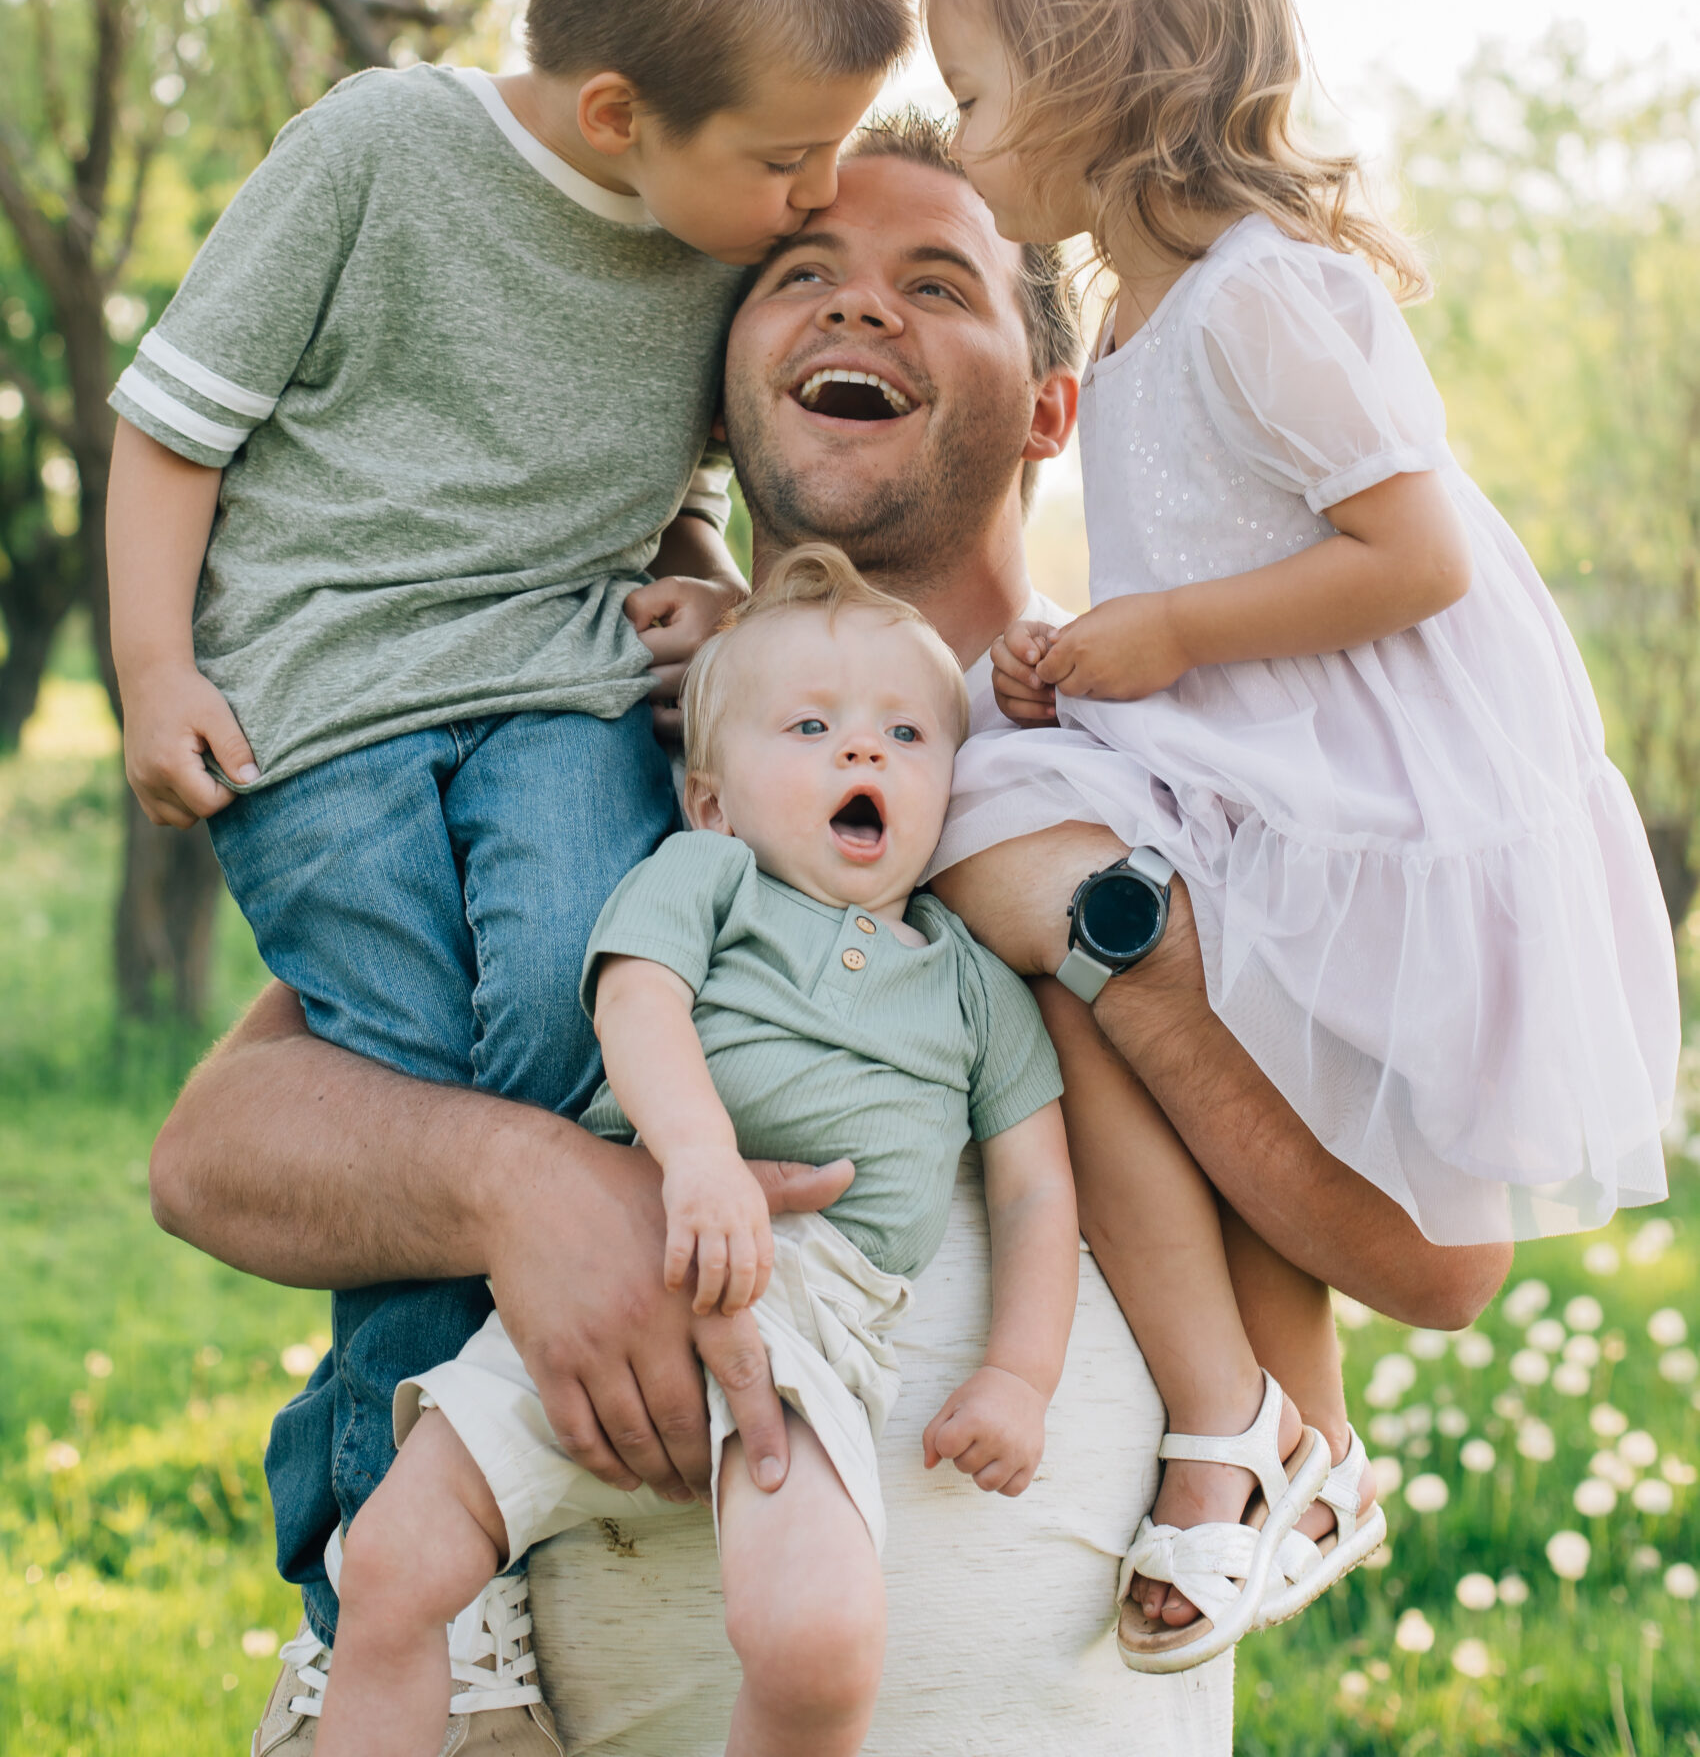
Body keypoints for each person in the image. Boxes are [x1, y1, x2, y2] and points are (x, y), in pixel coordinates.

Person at [149, 120, 1504, 1755]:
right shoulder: (605, 757)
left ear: (1053, 407)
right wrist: (524, 1183)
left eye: (935, 283)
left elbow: (1439, 1260)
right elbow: (213, 1152)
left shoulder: (1175, 771)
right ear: (723, 394)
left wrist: (1064, 903)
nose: (856, 311)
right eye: (799, 276)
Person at [106, 0, 910, 1658]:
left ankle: (469, 1473)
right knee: (404, 1068)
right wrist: (158, 672)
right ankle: (379, 1543)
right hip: (320, 703)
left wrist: (713, 589)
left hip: (557, 680)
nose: (818, 194)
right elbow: (175, 423)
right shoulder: (383, 153)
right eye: (794, 157)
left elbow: (685, 504)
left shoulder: (723, 229)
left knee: (569, 996)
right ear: (622, 115)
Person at [922, 0, 1680, 1670]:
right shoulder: (1134, 308)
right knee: (1028, 848)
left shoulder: (1267, 287)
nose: (954, 133)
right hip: (1250, 761)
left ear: (1101, 70)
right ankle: (1277, 1434)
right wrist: (1081, 653)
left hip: (1366, 788)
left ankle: (1258, 1428)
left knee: (1032, 867)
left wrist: (1159, 640)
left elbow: (1409, 556)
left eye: (975, 90)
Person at [316, 547, 1077, 1757]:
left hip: (813, 1317)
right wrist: (697, 1153)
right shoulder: (709, 877)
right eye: (812, 725)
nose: (861, 752)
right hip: (630, 1243)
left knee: (820, 1640)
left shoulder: (972, 983)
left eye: (904, 734)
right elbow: (637, 1001)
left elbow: (1039, 1190)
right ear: (714, 799)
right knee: (392, 1566)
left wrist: (1019, 1376)